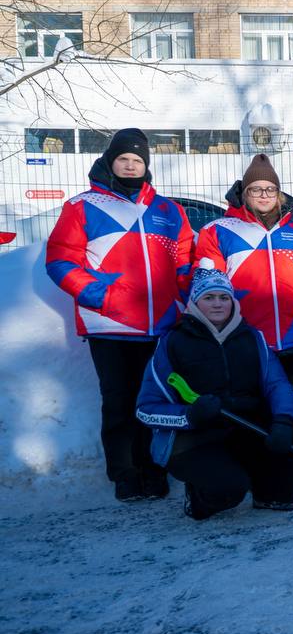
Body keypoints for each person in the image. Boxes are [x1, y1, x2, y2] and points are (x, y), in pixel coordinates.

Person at [46, 128, 194, 502]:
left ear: (146, 165)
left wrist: (184, 299)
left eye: (137, 161)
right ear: (111, 161)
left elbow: (185, 262)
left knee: (154, 401)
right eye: (123, 160)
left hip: (159, 326)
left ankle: (153, 468)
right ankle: (124, 474)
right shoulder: (83, 207)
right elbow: (61, 261)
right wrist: (99, 295)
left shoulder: (167, 210)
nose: (130, 166)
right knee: (118, 402)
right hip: (109, 325)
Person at [193, 154, 293, 487]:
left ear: (279, 193)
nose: (264, 195)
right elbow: (205, 284)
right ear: (244, 193)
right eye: (256, 189)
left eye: (270, 189)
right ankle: (265, 468)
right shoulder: (219, 231)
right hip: (247, 337)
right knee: (258, 405)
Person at [135, 261, 293, 519]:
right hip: (195, 436)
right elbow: (146, 409)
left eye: (224, 297)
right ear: (195, 302)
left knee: (290, 430)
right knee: (228, 490)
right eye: (209, 297)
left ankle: (269, 494)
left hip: (243, 426)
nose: (217, 304)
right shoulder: (173, 342)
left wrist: (284, 421)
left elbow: (278, 385)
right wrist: (189, 414)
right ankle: (199, 498)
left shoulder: (252, 337)